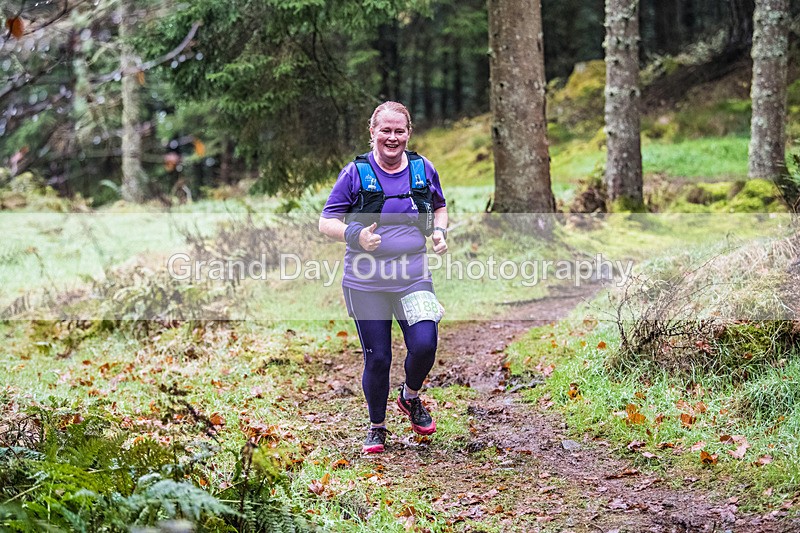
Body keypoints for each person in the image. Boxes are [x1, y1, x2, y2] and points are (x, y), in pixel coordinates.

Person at [318, 101, 449, 453]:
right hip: (366, 281)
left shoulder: (423, 168)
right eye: (385, 130)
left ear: (408, 133)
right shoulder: (355, 173)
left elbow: (439, 205)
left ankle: (410, 396)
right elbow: (326, 220)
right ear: (373, 132)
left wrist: (439, 232)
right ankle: (377, 426)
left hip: (413, 275)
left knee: (425, 343)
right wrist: (356, 236)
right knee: (378, 357)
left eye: (399, 130)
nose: (393, 137)